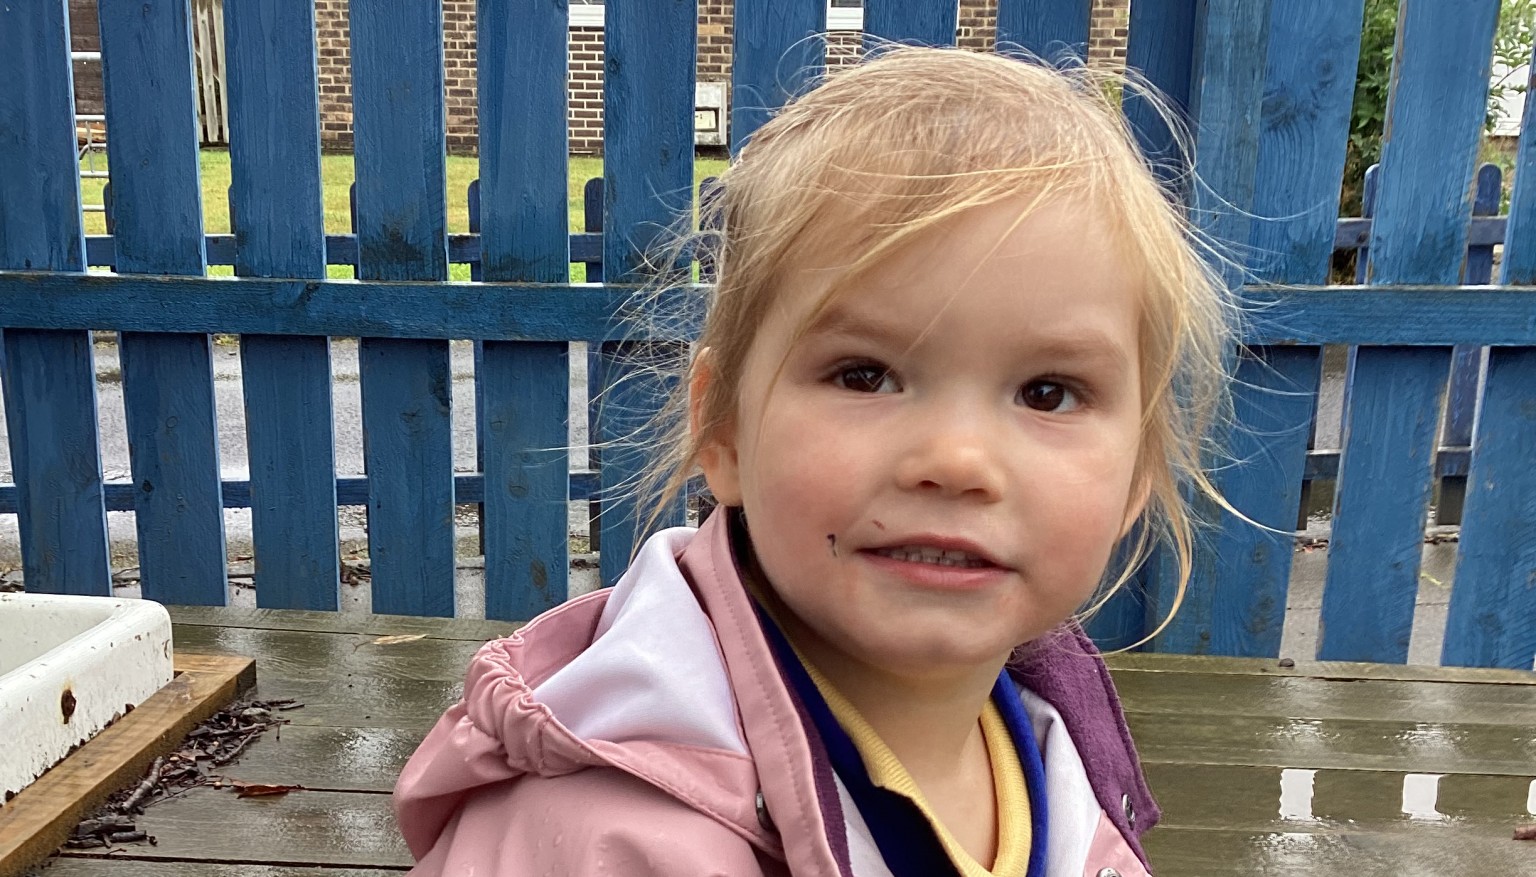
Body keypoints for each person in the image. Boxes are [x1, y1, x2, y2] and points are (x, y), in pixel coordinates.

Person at [394, 45, 1233, 877]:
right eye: (864, 374)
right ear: (721, 430)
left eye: (1048, 392)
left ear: (1139, 477)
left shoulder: (1066, 752)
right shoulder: (606, 833)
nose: (956, 459)